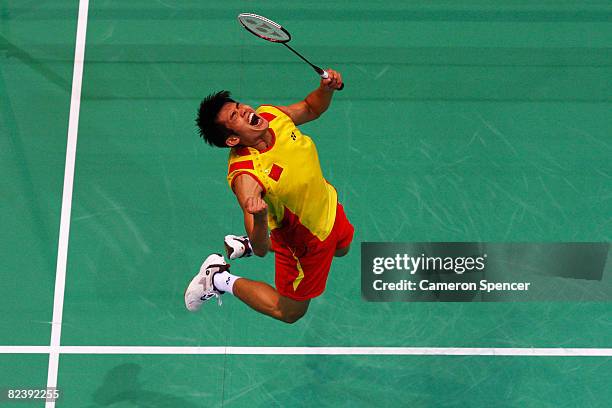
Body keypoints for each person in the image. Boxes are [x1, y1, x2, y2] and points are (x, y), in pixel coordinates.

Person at [184, 69, 353, 323]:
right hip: (306, 243)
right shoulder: (247, 177)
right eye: (234, 115)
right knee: (289, 311)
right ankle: (217, 278)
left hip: (328, 206)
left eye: (239, 106)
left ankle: (244, 246)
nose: (244, 111)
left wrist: (325, 90)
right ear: (232, 139)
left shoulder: (271, 115)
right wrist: (260, 218)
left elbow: (310, 108)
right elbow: (262, 248)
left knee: (342, 249)